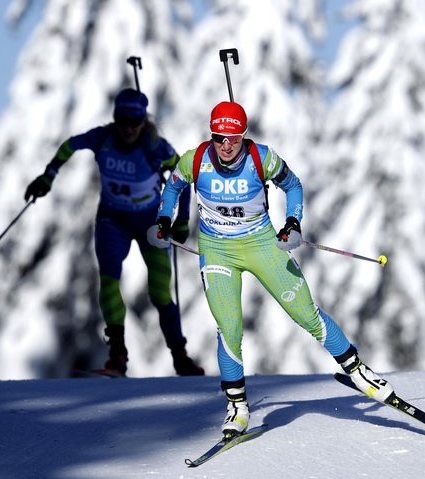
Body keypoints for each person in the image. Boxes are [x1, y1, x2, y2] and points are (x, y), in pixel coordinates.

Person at [147, 101, 394, 438]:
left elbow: (293, 185)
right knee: (229, 326)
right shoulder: (195, 159)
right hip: (217, 250)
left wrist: (293, 222)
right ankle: (237, 406)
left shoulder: (263, 158)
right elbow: (173, 187)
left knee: (305, 313)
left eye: (233, 138)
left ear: (244, 136)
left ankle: (358, 371)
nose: (226, 145)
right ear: (212, 135)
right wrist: (164, 218)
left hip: (262, 244)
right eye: (219, 137)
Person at [24, 88, 204, 378]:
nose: (129, 128)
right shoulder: (103, 138)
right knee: (108, 281)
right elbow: (69, 145)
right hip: (112, 220)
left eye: (136, 121)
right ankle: (117, 356)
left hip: (150, 223)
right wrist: (48, 175)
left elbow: (182, 176)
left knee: (159, 292)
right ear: (115, 118)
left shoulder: (156, 146)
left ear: (143, 121)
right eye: (124, 120)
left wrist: (181, 220)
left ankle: (180, 357)